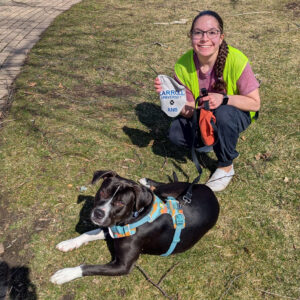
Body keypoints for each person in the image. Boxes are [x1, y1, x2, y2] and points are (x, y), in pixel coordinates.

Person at [154, 10, 260, 192]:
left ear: (221, 37)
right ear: (191, 36)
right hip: (202, 115)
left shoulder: (237, 60)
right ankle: (210, 141)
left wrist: (224, 99)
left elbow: (254, 103)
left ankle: (226, 166)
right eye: (198, 32)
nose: (204, 38)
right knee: (176, 133)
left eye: (212, 32)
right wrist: (171, 100)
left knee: (222, 114)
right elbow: (188, 111)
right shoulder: (182, 65)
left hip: (235, 112)